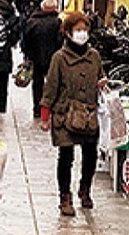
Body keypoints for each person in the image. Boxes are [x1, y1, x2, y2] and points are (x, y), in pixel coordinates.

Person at [44, 11, 103, 217]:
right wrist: (45, 115)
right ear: (68, 33)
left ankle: (85, 189)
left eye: (85, 29)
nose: (82, 33)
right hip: (65, 115)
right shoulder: (59, 58)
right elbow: (50, 87)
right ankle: (65, 197)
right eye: (78, 30)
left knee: (90, 154)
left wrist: (102, 86)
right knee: (66, 156)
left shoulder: (94, 56)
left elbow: (100, 78)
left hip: (88, 114)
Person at [20, 0, 63, 129]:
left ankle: (37, 109)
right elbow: (60, 41)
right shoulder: (57, 22)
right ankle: (51, 108)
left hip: (36, 57)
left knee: (37, 84)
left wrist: (27, 55)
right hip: (53, 58)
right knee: (53, 84)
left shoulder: (32, 21)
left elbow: (25, 40)